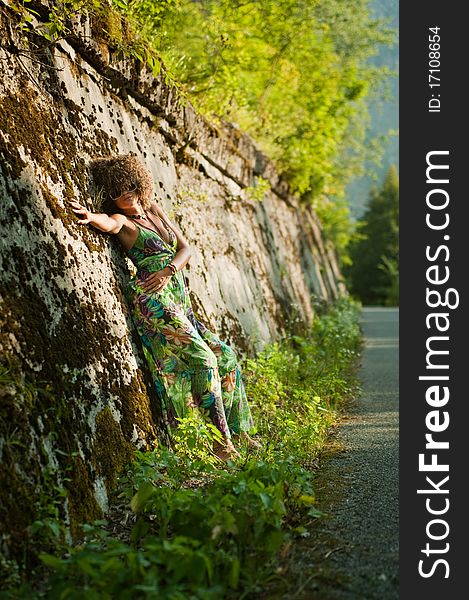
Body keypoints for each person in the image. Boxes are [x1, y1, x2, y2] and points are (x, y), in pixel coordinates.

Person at [69, 154, 260, 460]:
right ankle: (221, 445)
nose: (126, 193)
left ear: (138, 181)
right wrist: (93, 217)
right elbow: (110, 225)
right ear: (111, 198)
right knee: (204, 359)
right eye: (116, 191)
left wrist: (168, 270)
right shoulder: (125, 222)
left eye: (129, 185)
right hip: (154, 302)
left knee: (225, 355)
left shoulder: (153, 209)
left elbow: (186, 249)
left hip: (177, 295)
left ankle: (240, 433)